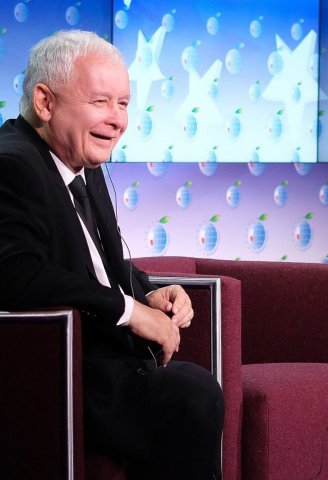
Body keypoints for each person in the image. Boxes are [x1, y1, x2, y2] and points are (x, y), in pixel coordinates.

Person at [0, 30, 224, 479]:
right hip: (57, 373)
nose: (118, 120)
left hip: (103, 360)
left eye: (123, 104)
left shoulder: (79, 159)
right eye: (101, 102)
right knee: (192, 393)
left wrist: (148, 292)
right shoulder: (13, 165)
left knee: (193, 386)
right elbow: (16, 274)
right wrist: (130, 312)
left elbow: (97, 261)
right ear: (44, 102)